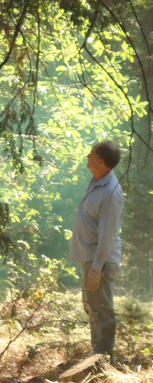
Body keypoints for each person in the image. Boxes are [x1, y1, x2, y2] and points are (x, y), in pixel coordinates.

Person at [70, 140, 124, 364]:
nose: (87, 156)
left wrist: (96, 268)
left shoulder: (111, 193)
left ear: (101, 162)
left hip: (100, 262)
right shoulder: (97, 182)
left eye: (91, 153)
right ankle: (97, 357)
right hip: (91, 259)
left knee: (102, 310)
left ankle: (105, 361)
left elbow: (108, 236)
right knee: (93, 308)